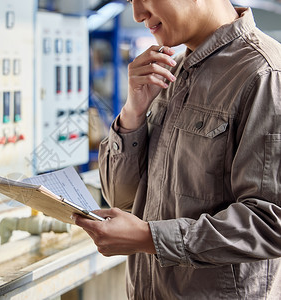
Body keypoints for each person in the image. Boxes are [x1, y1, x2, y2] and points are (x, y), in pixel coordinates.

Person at [72, 0, 281, 299]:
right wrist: (133, 113)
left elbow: (271, 222)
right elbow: (121, 198)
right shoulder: (169, 74)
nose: (138, 13)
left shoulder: (265, 74)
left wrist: (151, 238)